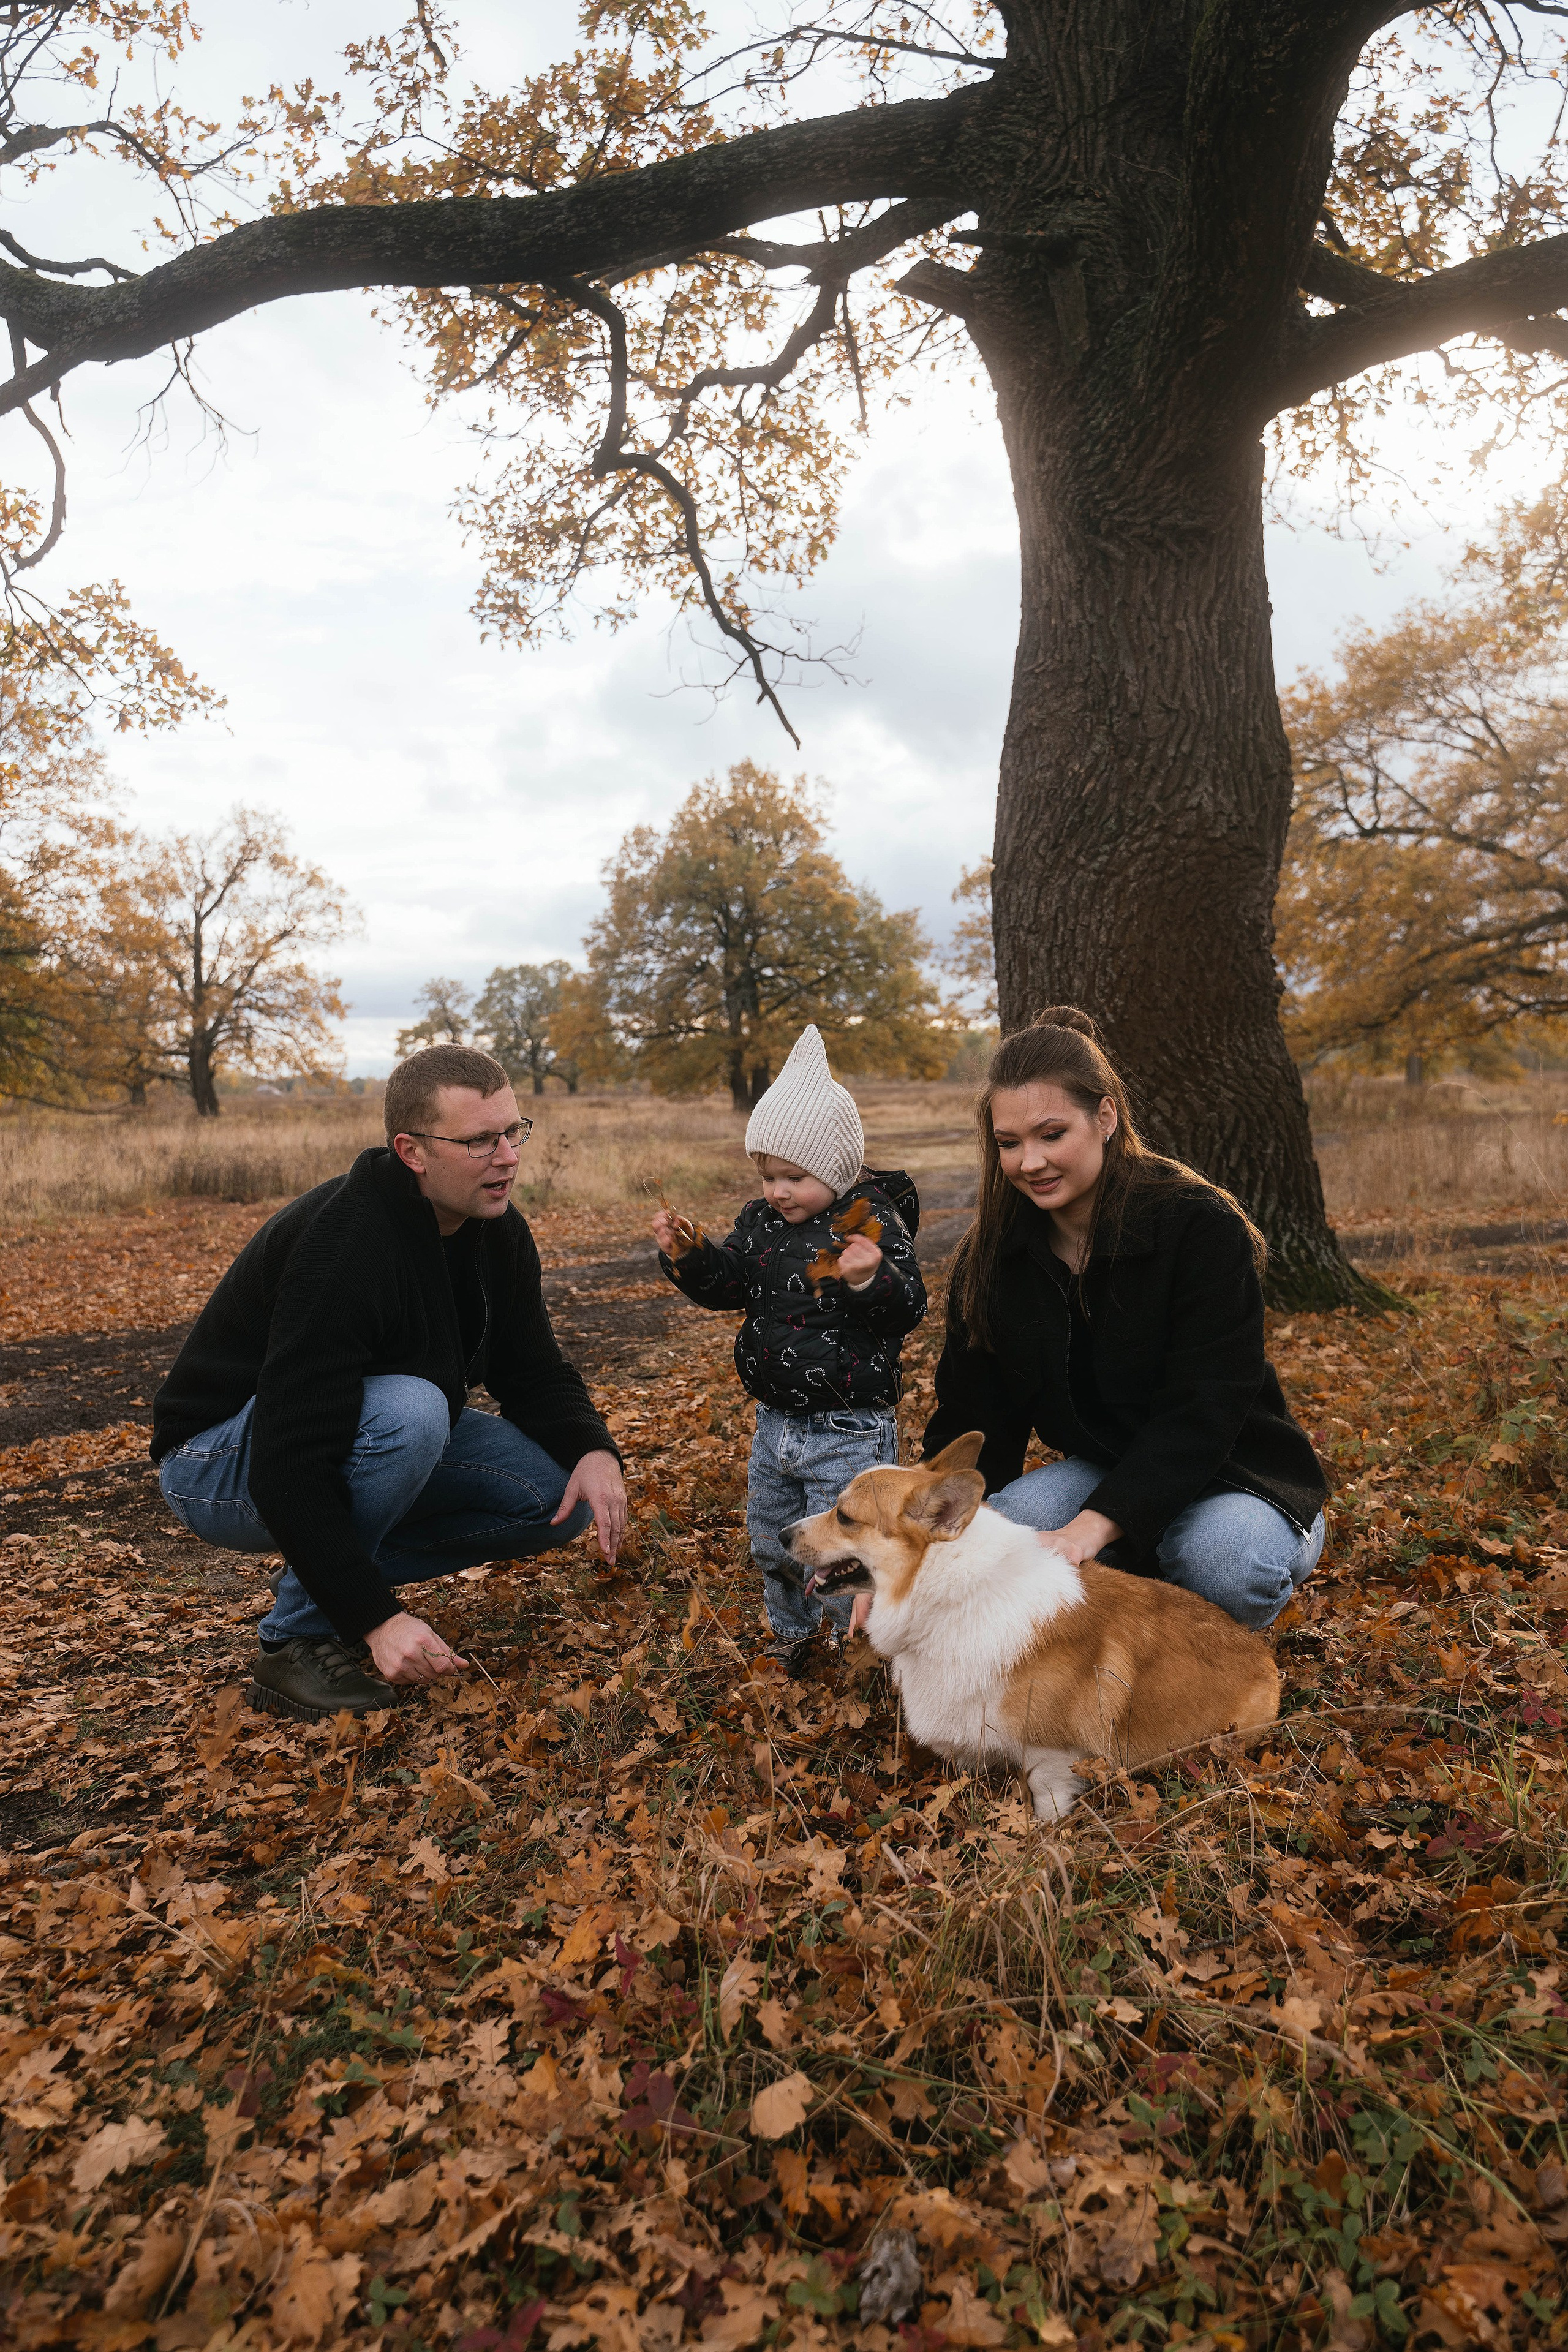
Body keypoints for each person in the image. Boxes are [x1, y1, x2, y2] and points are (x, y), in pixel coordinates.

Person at [152, 1044, 627, 1720]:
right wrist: (376, 1620)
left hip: (354, 1431)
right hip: (218, 1462)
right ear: (412, 1152)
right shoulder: (343, 1251)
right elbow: (289, 1462)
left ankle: (329, 1578)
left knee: (554, 1495)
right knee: (414, 1410)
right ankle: (296, 1640)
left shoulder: (497, 1231)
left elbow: (533, 1369)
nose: (507, 1157)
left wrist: (594, 1448)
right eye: (480, 1141)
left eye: (513, 1131)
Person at [922, 1008, 1328, 1630]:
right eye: (1010, 1143)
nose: (1030, 1162)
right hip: (1105, 1468)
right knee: (998, 1541)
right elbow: (974, 1418)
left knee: (1224, 1566)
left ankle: (1224, 1566)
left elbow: (1206, 1406)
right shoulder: (993, 1258)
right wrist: (924, 1547)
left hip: (1237, 1471)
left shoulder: (1198, 1226)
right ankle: (1137, 1566)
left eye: (1051, 1134)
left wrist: (1088, 1530)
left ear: (1105, 1117)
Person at [652, 1025, 927, 1675]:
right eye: (768, 1175)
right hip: (775, 1423)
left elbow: (908, 1308)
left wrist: (871, 1278)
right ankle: (792, 1635)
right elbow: (730, 1285)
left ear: (835, 1168)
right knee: (774, 1541)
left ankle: (859, 1648)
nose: (777, 1190)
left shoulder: (870, 1222)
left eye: (794, 1177)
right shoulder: (762, 1223)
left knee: (848, 1549)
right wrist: (692, 1258)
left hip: (848, 1426)